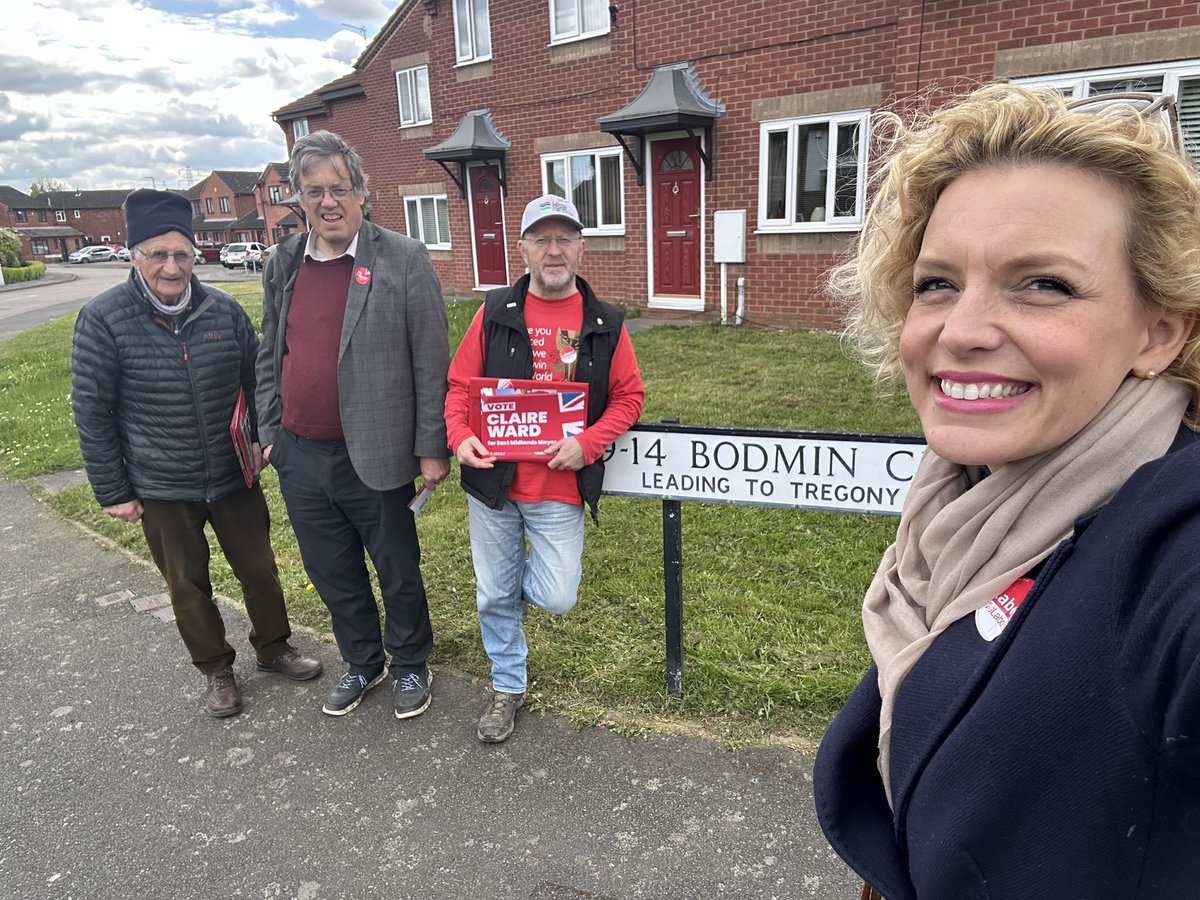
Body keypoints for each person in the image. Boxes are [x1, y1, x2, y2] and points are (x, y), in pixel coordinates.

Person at [812, 84, 1200, 898]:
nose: (961, 331)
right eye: (937, 283)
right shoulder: (954, 507)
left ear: (1159, 332)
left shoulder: (1174, 546)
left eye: (1044, 284)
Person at [71, 189, 323, 719]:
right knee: (186, 584)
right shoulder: (103, 318)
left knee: (260, 569)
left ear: (194, 255)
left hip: (233, 473)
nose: (172, 266)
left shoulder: (223, 310)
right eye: (158, 254)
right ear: (134, 257)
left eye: (181, 254)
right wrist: (114, 490)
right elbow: (92, 411)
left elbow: (257, 381)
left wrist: (261, 438)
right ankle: (216, 669)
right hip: (161, 482)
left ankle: (274, 647)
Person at [256, 131, 450, 720]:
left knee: (397, 569)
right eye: (314, 191)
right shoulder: (283, 262)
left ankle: (410, 662)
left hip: (378, 451)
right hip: (300, 454)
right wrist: (271, 434)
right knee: (332, 571)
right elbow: (271, 350)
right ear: (298, 199)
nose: (328, 201)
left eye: (339, 188)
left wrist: (431, 447)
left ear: (362, 192)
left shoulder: (403, 258)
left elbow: (431, 361)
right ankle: (363, 661)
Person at [445, 195, 645, 743]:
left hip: (559, 487)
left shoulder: (605, 322)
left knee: (556, 595)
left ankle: (502, 598)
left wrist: (590, 443)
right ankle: (507, 685)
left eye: (564, 239)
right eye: (542, 239)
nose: (553, 251)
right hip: (494, 483)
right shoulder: (494, 312)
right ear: (524, 248)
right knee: (493, 593)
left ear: (581, 248)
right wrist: (460, 437)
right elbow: (459, 385)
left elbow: (629, 397)